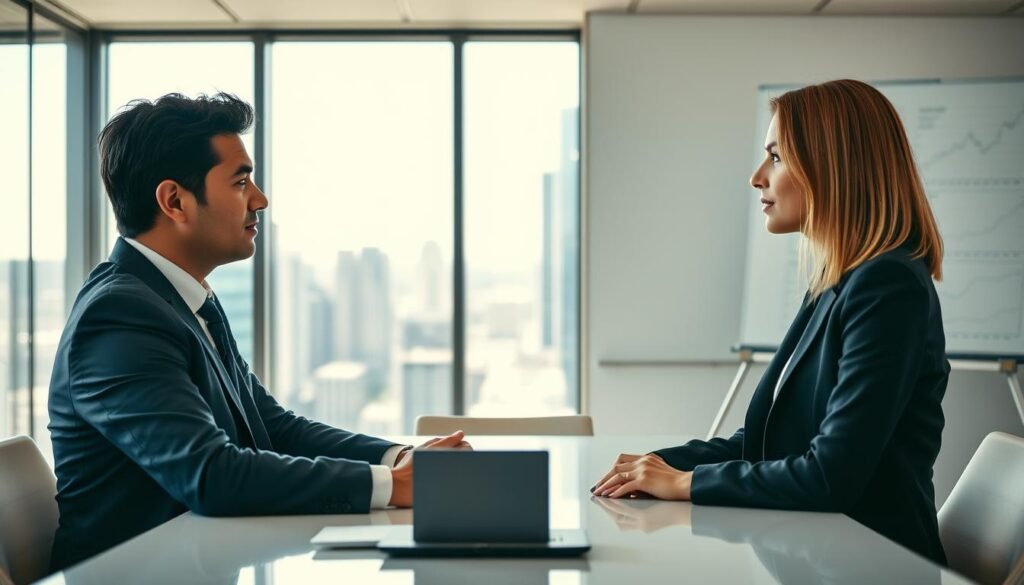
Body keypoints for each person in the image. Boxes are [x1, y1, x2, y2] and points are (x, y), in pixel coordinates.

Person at [47, 92, 469, 571]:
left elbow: (271, 427)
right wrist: (393, 486)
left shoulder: (182, 299)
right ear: (174, 201)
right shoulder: (120, 315)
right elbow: (211, 475)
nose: (260, 200)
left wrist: (399, 457)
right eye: (241, 181)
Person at [592, 79, 949, 565]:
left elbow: (829, 477)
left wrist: (683, 483)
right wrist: (658, 464)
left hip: (873, 564)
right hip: (821, 555)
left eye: (776, 157)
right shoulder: (836, 282)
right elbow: (762, 443)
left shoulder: (888, 286)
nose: (757, 177)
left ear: (832, 167)